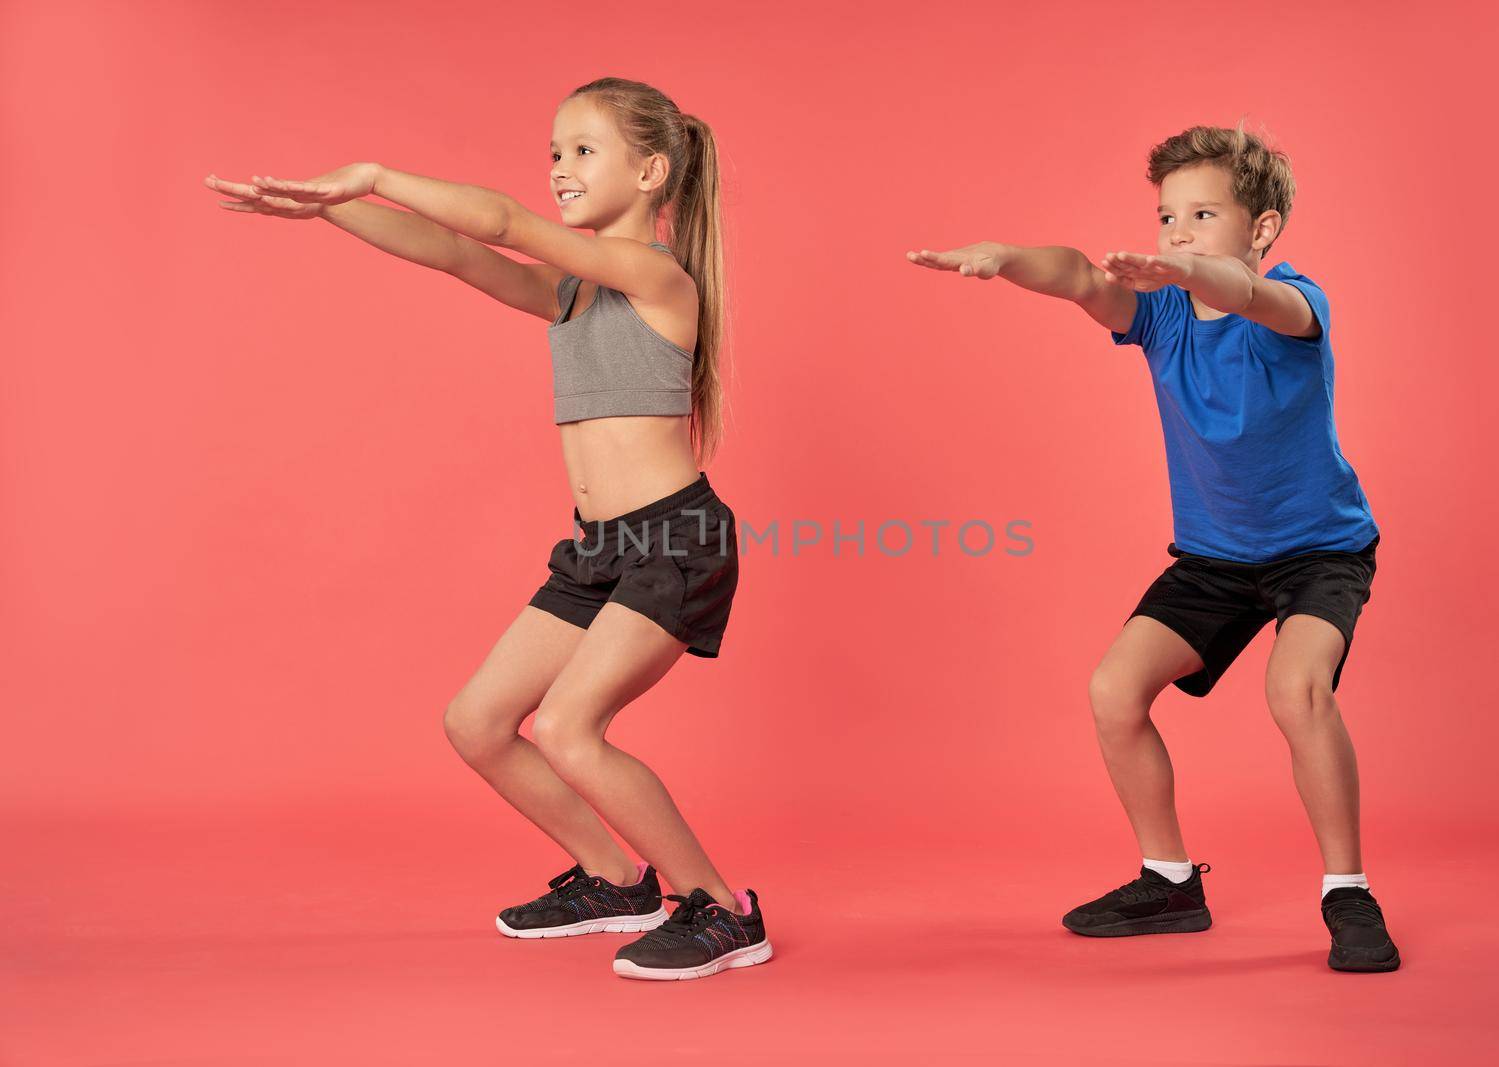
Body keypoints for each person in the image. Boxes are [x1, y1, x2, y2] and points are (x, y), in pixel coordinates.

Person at [203, 76, 770, 982]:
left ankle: (721, 909)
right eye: (554, 151)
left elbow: (499, 225)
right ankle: (616, 878)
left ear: (653, 170)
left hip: (674, 540)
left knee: (570, 726)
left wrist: (377, 172)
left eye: (583, 150)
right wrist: (324, 210)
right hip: (600, 549)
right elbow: (454, 253)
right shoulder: (574, 295)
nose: (559, 169)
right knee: (477, 722)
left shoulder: (660, 277)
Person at [907, 123, 1400, 973]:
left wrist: (1196, 270)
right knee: (1113, 690)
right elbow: (1075, 274)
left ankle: (1347, 891)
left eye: (1202, 214)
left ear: (1263, 227)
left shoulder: (1295, 303)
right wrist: (1007, 256)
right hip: (1214, 558)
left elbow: (1249, 297)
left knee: (1297, 692)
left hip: (1319, 550)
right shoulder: (1162, 317)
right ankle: (1170, 880)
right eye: (1168, 215)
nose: (1176, 231)